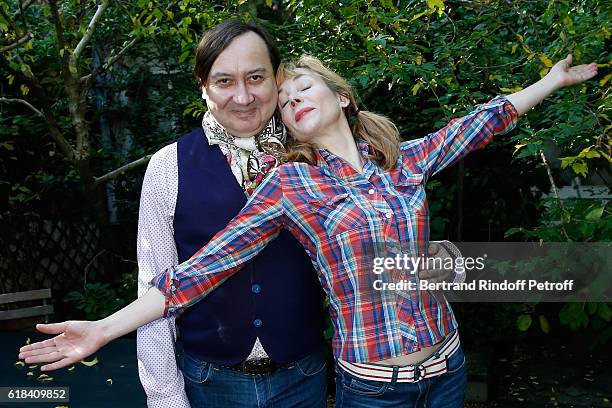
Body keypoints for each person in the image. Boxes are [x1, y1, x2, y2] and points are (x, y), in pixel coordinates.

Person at [19, 52, 597, 406]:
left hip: (447, 369)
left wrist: (549, 82)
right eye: (285, 98)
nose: (293, 99)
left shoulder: (401, 159)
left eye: (305, 88)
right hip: (374, 389)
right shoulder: (289, 187)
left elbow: (480, 123)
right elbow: (199, 271)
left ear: (340, 97)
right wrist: (104, 328)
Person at [134, 21, 328, 408]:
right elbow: (152, 288)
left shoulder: (318, 153)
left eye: (255, 77)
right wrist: (166, 399)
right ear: (203, 85)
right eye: (224, 81)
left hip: (304, 377)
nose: (243, 97)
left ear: (277, 78)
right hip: (209, 383)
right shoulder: (167, 167)